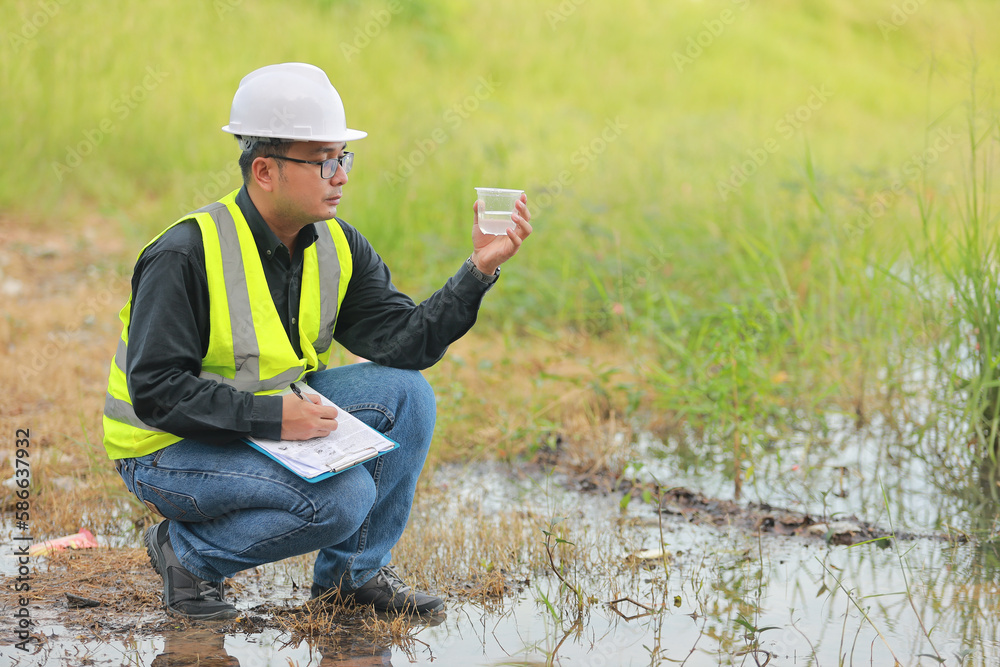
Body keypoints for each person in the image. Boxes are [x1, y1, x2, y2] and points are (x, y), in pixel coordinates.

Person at [103, 62, 531, 620]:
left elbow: (406, 345)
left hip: (265, 423)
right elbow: (156, 393)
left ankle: (353, 576)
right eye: (325, 161)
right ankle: (188, 554)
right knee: (344, 496)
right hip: (164, 450)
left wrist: (476, 271)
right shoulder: (185, 253)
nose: (342, 175)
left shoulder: (336, 244)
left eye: (344, 158)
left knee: (408, 394)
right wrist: (274, 418)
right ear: (264, 170)